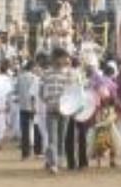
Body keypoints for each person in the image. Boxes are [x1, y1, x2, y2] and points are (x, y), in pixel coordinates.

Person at [40, 47, 78, 175]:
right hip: (51, 110)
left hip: (65, 111)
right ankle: (54, 164)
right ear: (56, 58)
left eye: (66, 58)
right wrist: (49, 102)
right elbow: (41, 92)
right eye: (63, 57)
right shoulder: (46, 73)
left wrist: (70, 107)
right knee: (52, 138)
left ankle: (58, 160)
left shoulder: (69, 74)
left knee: (62, 137)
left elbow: (72, 92)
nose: (66, 60)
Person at [15, 58, 42, 159]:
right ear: (33, 67)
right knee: (36, 128)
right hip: (33, 106)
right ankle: (37, 151)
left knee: (25, 130)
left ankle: (25, 153)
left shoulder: (20, 77)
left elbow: (16, 90)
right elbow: (35, 93)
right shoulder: (35, 78)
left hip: (23, 106)